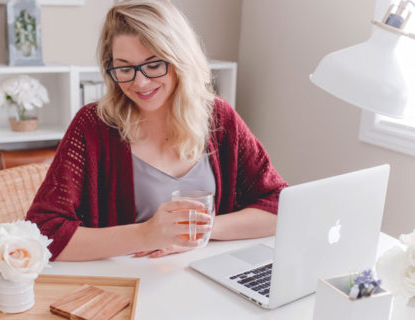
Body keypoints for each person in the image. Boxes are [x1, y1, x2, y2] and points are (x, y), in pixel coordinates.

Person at [25, 0, 287, 261]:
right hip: (126, 286)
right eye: (125, 68)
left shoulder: (219, 118)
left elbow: (280, 206)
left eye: (153, 65)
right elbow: (43, 232)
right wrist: (145, 234)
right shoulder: (93, 125)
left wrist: (198, 231)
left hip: (205, 279)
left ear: (180, 59)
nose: (140, 82)